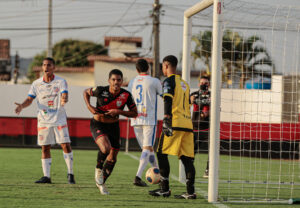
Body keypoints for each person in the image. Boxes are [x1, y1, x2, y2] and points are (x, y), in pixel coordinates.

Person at [14, 57, 75, 184]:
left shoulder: (61, 81)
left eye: (49, 65)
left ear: (54, 67)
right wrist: (21, 106)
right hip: (43, 120)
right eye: (44, 65)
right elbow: (30, 99)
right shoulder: (36, 84)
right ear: (42, 67)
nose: (46, 67)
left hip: (59, 118)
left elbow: (65, 93)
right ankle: (46, 177)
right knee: (45, 147)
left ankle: (70, 173)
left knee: (65, 145)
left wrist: (64, 99)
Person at [83, 69, 138, 195]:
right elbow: (85, 92)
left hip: (114, 126)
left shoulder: (126, 95)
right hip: (98, 124)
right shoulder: (100, 90)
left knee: (113, 158)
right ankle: (98, 169)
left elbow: (134, 113)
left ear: (122, 81)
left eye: (119, 80)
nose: (116, 82)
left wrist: (119, 112)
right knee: (105, 149)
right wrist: (89, 106)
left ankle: (101, 183)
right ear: (109, 81)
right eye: (113, 80)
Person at [149, 55, 196, 199]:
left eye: (163, 66)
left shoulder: (169, 81)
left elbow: (167, 99)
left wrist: (167, 118)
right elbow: (188, 104)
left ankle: (164, 188)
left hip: (175, 123)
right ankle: (190, 192)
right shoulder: (185, 84)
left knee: (161, 153)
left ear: (166, 65)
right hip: (188, 125)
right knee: (187, 159)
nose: (163, 69)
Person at [128, 59, 162, 187]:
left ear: (136, 70)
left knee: (148, 148)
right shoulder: (154, 81)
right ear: (148, 68)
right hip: (149, 119)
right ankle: (137, 176)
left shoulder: (132, 82)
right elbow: (164, 95)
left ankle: (159, 174)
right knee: (147, 148)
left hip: (136, 118)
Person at [190, 76, 210, 178]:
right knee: (192, 151)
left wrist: (206, 110)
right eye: (202, 83)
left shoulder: (212, 95)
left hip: (208, 128)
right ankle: (189, 171)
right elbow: (188, 102)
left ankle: (208, 170)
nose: (203, 85)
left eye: (205, 83)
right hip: (195, 127)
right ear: (198, 84)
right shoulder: (194, 94)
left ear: (209, 85)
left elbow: (207, 112)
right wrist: (191, 100)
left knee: (212, 150)